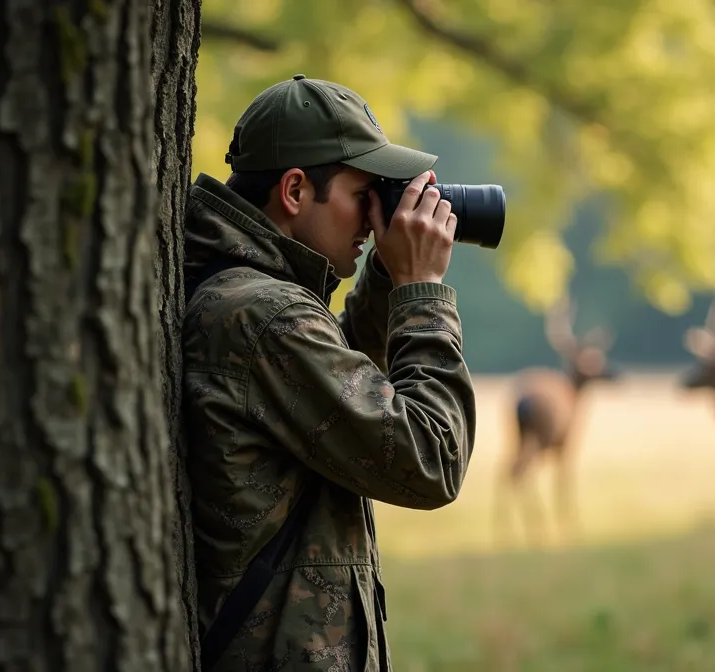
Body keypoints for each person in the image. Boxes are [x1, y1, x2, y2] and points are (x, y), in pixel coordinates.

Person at [180, 74, 478, 671]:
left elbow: (337, 376)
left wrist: (385, 276)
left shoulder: (252, 301)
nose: (373, 217)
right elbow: (430, 459)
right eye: (362, 193)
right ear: (295, 190)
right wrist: (421, 292)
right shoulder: (266, 316)